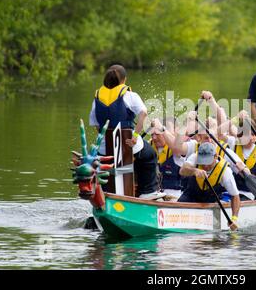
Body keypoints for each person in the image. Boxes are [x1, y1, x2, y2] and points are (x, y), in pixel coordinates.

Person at [89, 64, 165, 199]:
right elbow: (143, 113)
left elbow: (95, 125)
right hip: (129, 144)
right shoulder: (130, 95)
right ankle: (147, 192)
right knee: (150, 155)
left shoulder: (97, 97)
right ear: (124, 80)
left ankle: (106, 193)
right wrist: (135, 135)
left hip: (104, 148)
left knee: (105, 164)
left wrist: (108, 138)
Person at [178, 142, 240, 231]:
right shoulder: (195, 157)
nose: (205, 166)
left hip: (211, 201)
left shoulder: (226, 172)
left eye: (208, 162)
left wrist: (234, 219)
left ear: (215, 156)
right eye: (202, 162)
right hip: (190, 195)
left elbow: (235, 195)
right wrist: (194, 171)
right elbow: (182, 171)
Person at [150, 119, 185, 201]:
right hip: (153, 193)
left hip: (173, 194)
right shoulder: (149, 146)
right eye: (152, 134)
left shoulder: (176, 149)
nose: (154, 138)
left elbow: (177, 148)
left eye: (157, 134)